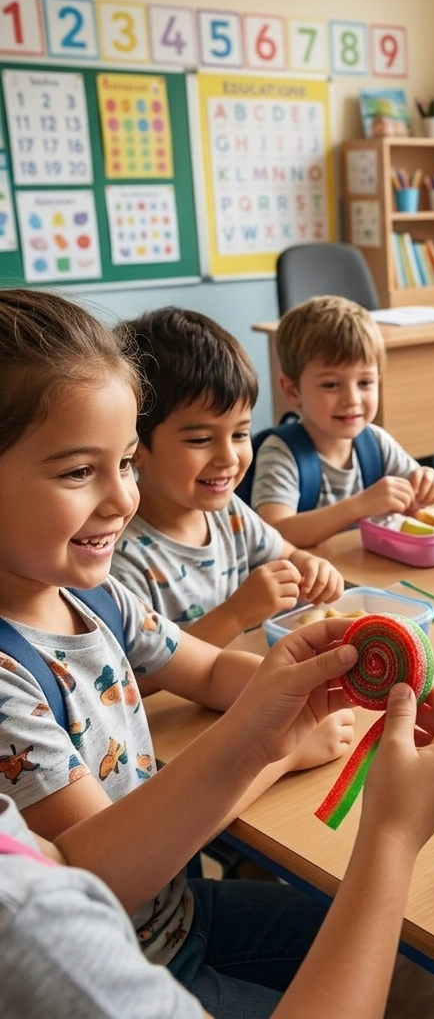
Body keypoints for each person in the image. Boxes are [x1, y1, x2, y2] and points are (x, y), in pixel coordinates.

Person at [0, 288, 353, 1016]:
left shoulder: (90, 593)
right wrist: (276, 747)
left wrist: (310, 687)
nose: (122, 499)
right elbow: (97, 875)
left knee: (373, 943)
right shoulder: (8, 674)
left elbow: (211, 667)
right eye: (77, 472)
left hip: (180, 912)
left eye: (125, 462)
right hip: (121, 969)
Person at [0, 643, 434, 1019]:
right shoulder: (29, 927)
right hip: (144, 962)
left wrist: (255, 746)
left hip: (177, 917)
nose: (119, 513)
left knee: (408, 961)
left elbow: (75, 870)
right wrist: (392, 836)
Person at [111, 308, 343, 648]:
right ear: (136, 447)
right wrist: (236, 615)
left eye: (240, 434)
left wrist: (310, 566)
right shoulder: (123, 559)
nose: (229, 458)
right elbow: (137, 680)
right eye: (200, 440)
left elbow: (287, 554)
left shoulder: (229, 513)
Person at [251, 296, 434, 548]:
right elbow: (275, 534)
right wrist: (359, 506)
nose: (352, 399)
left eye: (365, 383)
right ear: (292, 391)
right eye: (331, 385)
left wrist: (429, 484)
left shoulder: (376, 442)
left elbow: (416, 502)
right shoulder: (280, 452)